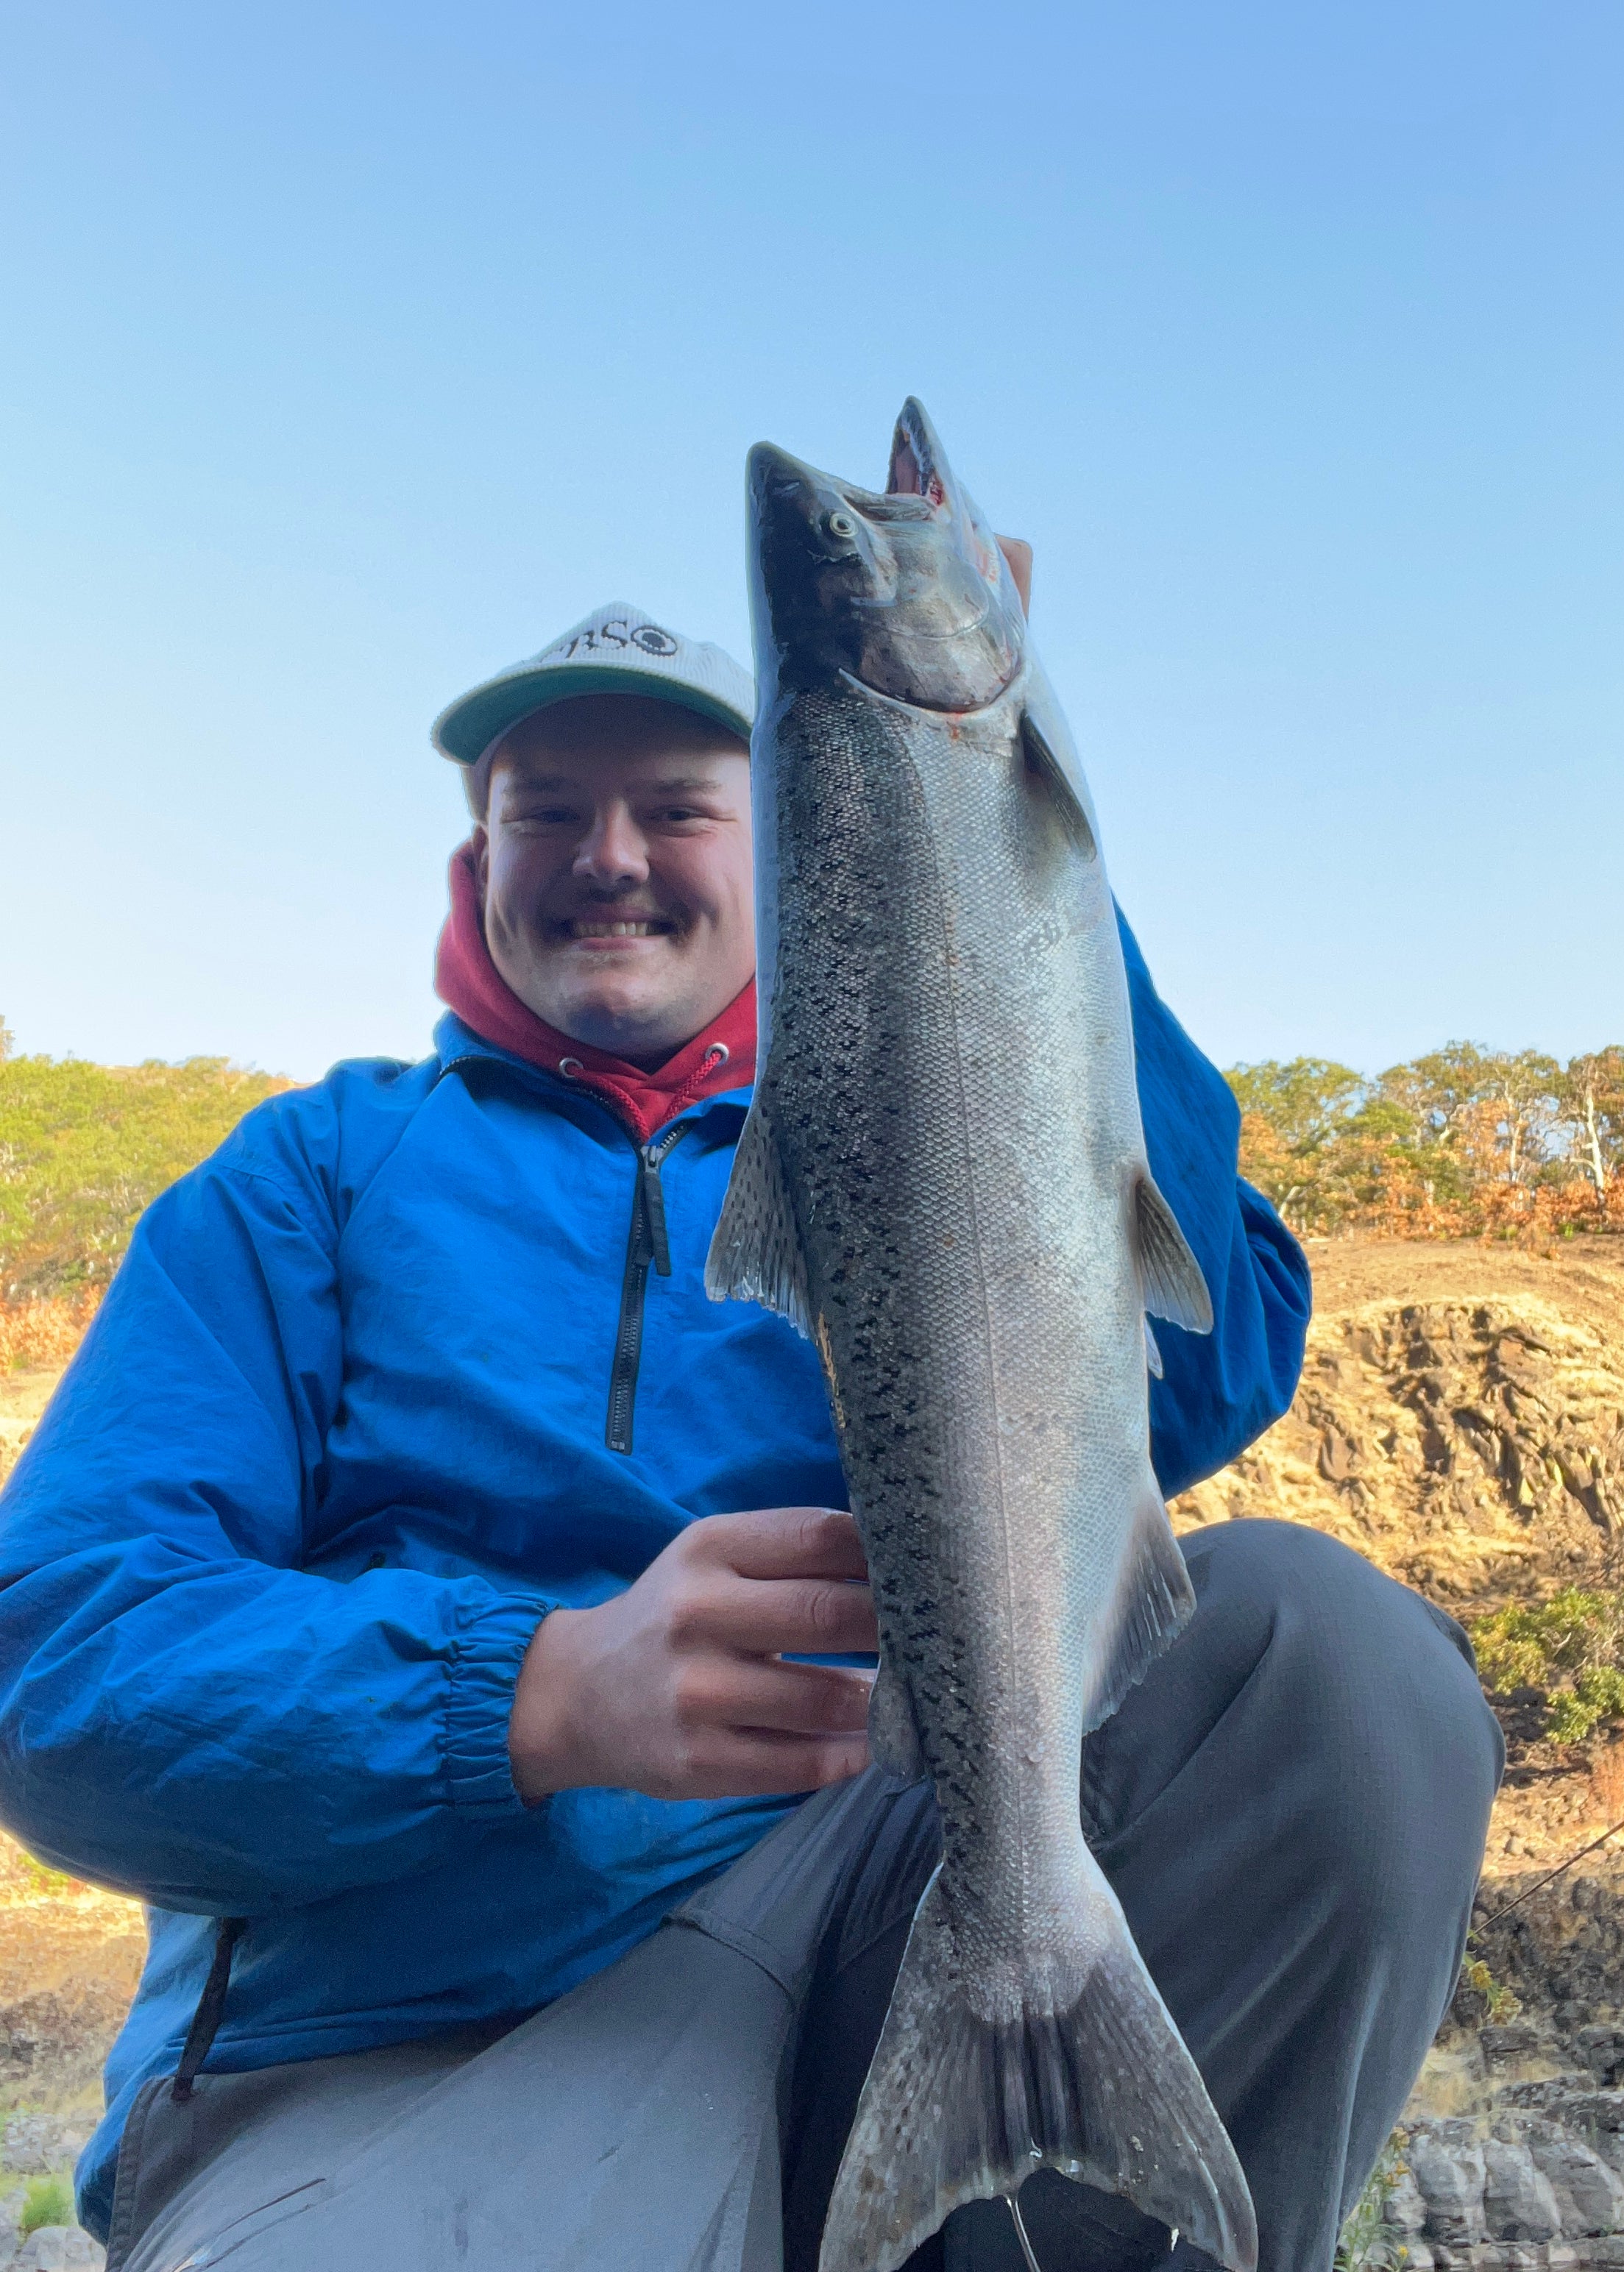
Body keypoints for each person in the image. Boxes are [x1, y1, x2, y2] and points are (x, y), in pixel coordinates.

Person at [0, 589, 1500, 2272]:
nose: (610, 855)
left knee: (1336, 1658)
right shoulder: (302, 1181)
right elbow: (59, 1667)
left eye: (677, 808)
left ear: (789, 841)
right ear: (475, 856)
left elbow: (1208, 1361)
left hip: (880, 1903)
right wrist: (534, 1693)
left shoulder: (920, 1127)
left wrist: (1011, 842)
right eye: (546, 811)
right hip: (420, 2024)